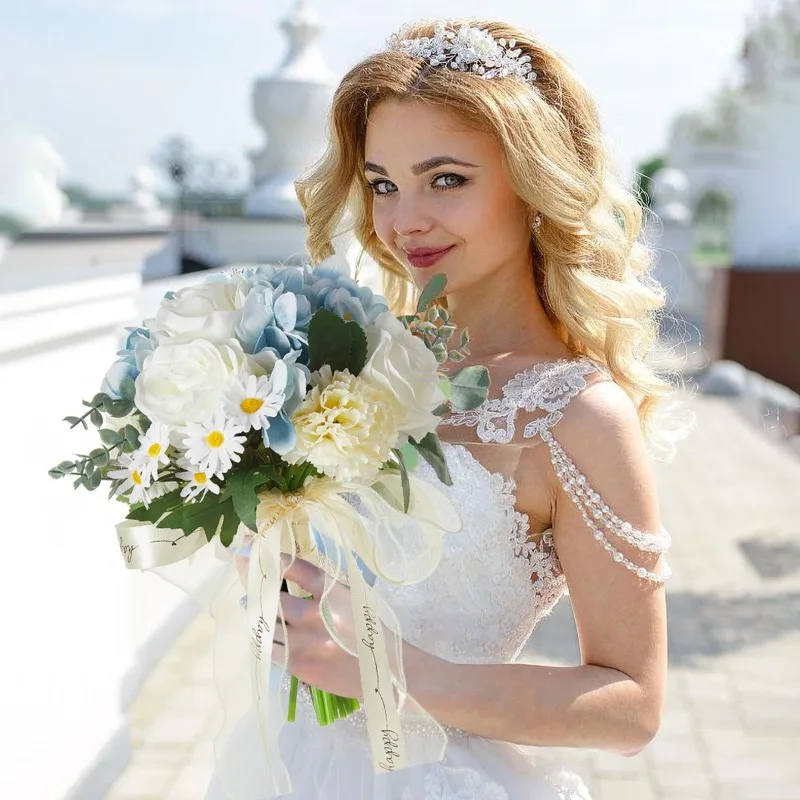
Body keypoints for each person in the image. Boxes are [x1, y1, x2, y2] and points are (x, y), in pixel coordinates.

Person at [206, 18, 688, 799]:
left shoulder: (575, 413)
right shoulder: (357, 363)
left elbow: (631, 708)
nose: (404, 221)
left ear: (532, 180)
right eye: (385, 183)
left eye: (447, 179)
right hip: (283, 766)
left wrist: (385, 669)